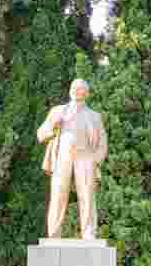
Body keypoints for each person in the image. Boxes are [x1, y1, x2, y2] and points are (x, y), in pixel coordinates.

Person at [37, 78, 109, 240]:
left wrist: (95, 160)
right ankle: (54, 235)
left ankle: (89, 234)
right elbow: (41, 134)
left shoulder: (94, 116)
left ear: (87, 94)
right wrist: (53, 126)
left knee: (87, 197)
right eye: (75, 88)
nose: (78, 91)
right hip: (62, 156)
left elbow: (103, 143)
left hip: (85, 158)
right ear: (70, 90)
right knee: (58, 195)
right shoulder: (58, 111)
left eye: (82, 89)